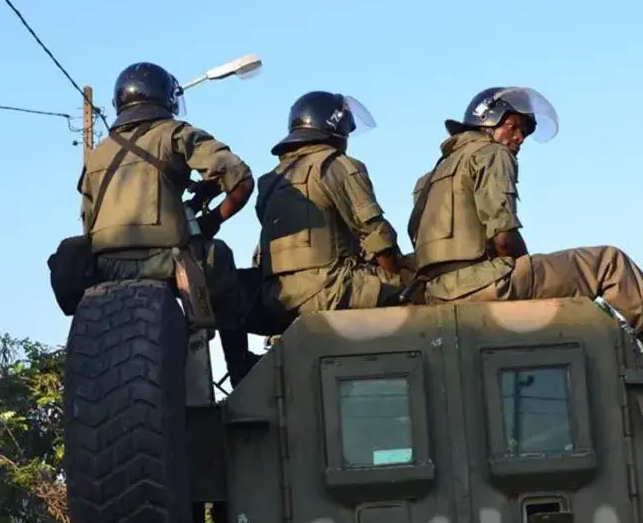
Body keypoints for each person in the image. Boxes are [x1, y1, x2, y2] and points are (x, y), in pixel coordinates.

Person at [407, 86, 643, 357]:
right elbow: (503, 237)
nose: (519, 138)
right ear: (488, 121)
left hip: (436, 292)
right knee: (608, 263)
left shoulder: (430, 177)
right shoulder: (492, 153)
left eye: (523, 132)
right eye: (513, 127)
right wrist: (526, 268)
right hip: (483, 285)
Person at [78, 61, 258, 386]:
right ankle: (240, 368)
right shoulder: (175, 133)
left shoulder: (97, 154)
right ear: (166, 98)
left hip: (105, 269)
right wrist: (211, 221)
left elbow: (87, 221)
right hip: (165, 264)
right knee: (222, 259)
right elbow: (241, 177)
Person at [254, 91, 407, 321]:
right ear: (335, 129)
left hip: (277, 297)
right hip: (329, 289)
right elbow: (376, 234)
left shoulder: (271, 180)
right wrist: (397, 281)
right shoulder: (336, 165)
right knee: (419, 283)